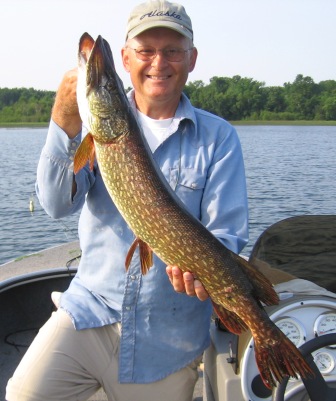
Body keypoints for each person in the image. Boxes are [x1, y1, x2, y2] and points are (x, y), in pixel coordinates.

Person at [6, 1, 248, 400]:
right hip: (89, 311)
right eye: (146, 51)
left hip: (167, 337)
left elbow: (226, 235)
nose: (159, 62)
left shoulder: (218, 138)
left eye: (172, 50)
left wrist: (202, 275)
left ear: (191, 59)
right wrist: (65, 120)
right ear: (125, 58)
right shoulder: (98, 134)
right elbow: (55, 205)